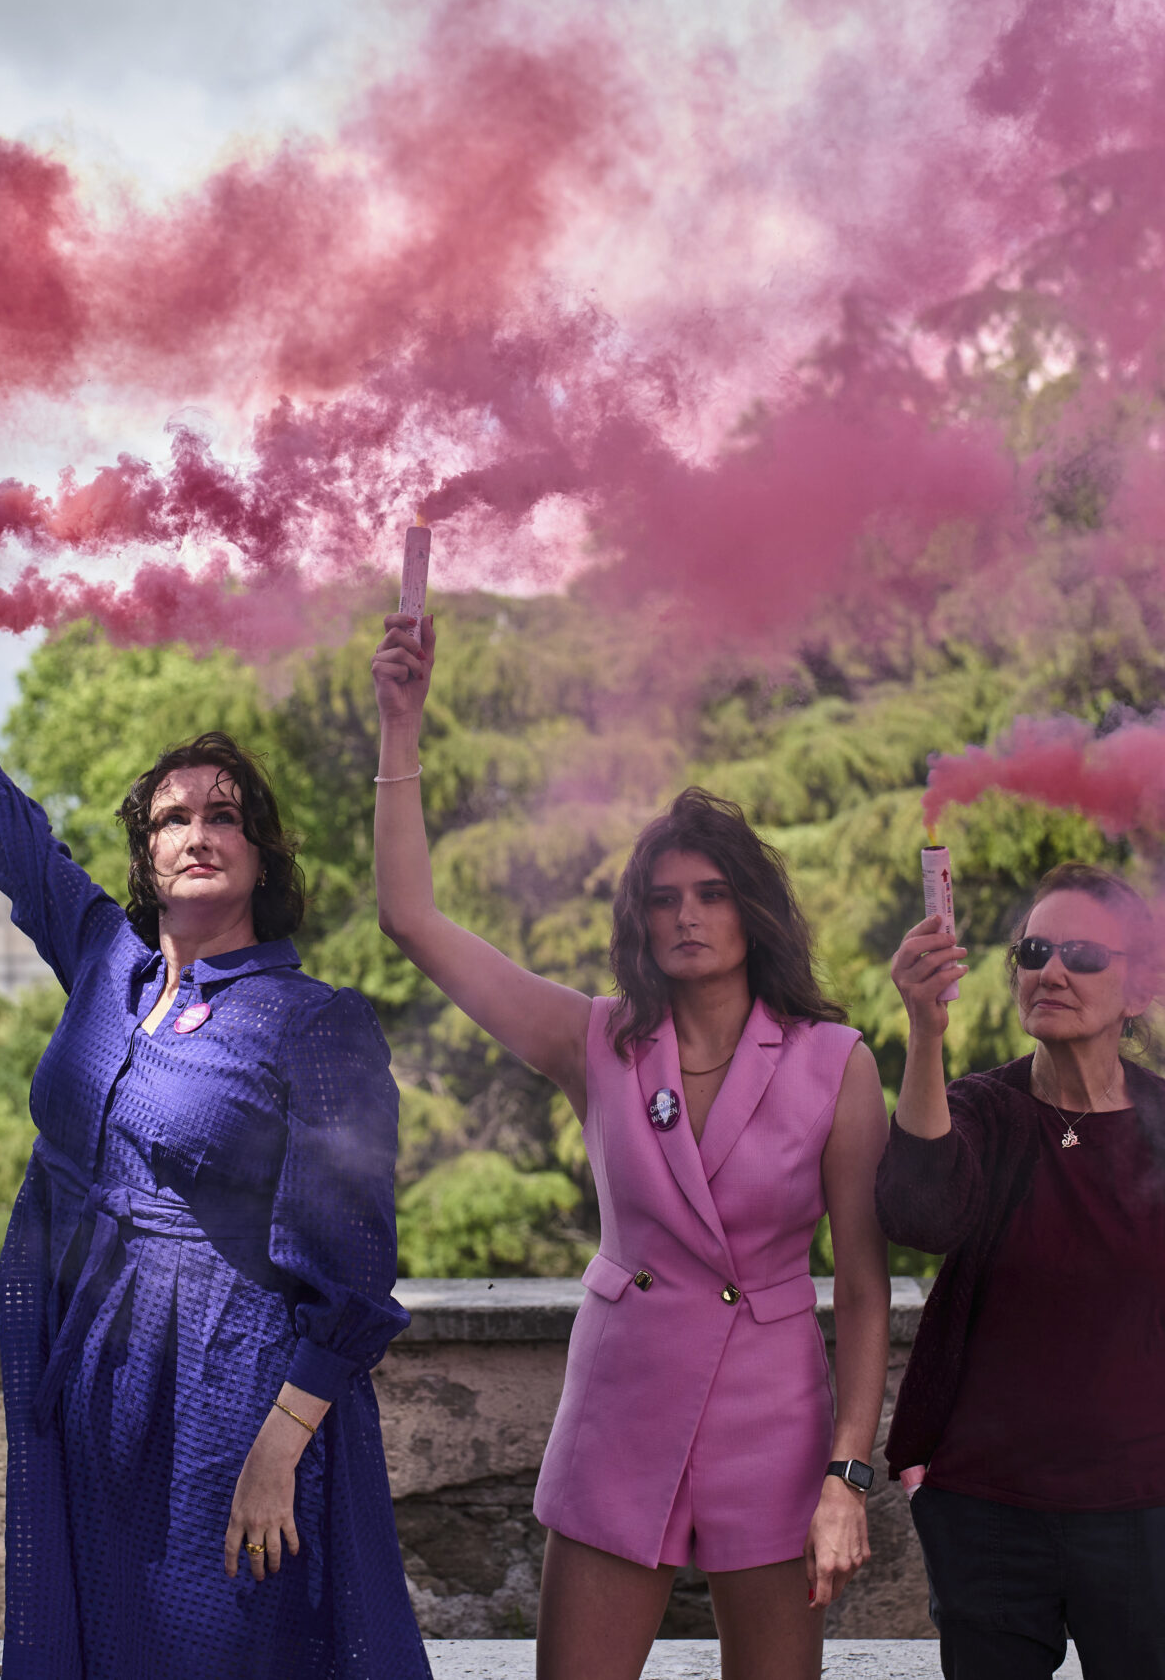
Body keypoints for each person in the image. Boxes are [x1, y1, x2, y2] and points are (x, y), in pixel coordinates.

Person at [370, 612, 892, 1680]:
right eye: (663, 901)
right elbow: (411, 917)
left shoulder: (837, 1063)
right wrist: (399, 725)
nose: (687, 917)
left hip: (774, 1421)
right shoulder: (594, 1039)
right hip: (621, 1405)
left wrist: (848, 1474)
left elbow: (869, 1290)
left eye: (710, 895)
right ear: (638, 922)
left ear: (751, 911)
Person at [0, 678, 428, 1680]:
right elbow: (24, 854)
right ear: (146, 853)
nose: (198, 832)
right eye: (171, 818)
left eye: (223, 816)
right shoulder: (109, 964)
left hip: (234, 1404)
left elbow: (358, 1269)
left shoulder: (313, 1021)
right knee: (114, 1647)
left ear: (261, 850)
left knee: (225, 1645)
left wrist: (278, 1452)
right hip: (102, 1400)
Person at [877, 861, 1165, 1680]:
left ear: (1139, 989)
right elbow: (919, 1215)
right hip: (985, 1515)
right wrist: (924, 1030)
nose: (1051, 971)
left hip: (1147, 1518)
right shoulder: (984, 1112)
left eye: (1084, 956)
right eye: (1033, 950)